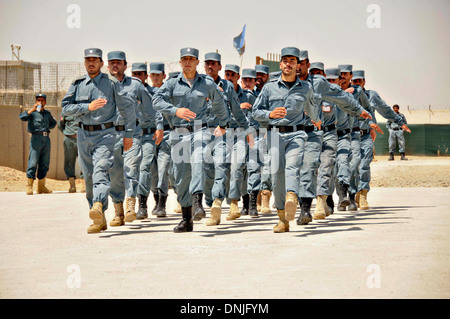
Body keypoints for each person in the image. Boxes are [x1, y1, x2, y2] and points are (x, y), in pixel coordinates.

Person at [153, 47, 229, 233]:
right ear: (180, 62)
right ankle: (187, 218)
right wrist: (175, 110)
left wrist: (224, 124)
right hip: (178, 133)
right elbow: (156, 101)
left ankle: (197, 202)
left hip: (199, 130)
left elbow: (219, 103)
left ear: (197, 62)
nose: (188, 62)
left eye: (191, 59)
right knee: (180, 176)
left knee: (198, 159)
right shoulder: (172, 84)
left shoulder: (207, 84)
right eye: (184, 59)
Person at [61, 48, 136, 234]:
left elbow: (126, 109)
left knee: (101, 169)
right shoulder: (77, 84)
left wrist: (128, 134)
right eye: (88, 60)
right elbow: (65, 108)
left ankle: (97, 204)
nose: (91, 63)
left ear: (101, 63)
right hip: (83, 135)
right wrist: (87, 106)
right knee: (88, 177)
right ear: (84, 63)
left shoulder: (110, 83)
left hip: (106, 134)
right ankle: (98, 218)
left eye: (95, 60)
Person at [253, 47, 321, 233]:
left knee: (292, 166)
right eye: (286, 60)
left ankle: (292, 196)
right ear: (281, 64)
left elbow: (314, 112)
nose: (289, 64)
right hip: (274, 134)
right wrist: (270, 114)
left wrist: (315, 114)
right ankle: (283, 219)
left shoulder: (306, 88)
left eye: (293, 60)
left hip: (297, 134)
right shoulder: (269, 88)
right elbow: (256, 112)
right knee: (277, 175)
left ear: (297, 65)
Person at [107, 52, 163, 226]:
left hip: (132, 133)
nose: (115, 65)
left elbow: (150, 108)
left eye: (119, 63)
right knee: (114, 175)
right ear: (107, 66)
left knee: (131, 167)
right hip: (110, 135)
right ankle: (118, 211)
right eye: (112, 63)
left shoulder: (136, 86)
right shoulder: (102, 86)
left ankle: (131, 203)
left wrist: (159, 125)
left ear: (125, 65)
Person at [351, 70, 411, 209]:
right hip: (351, 136)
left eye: (360, 81)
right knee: (352, 166)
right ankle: (353, 194)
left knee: (364, 165)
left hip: (366, 134)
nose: (357, 84)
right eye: (354, 81)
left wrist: (399, 121)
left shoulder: (371, 95)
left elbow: (385, 109)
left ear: (364, 82)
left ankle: (363, 193)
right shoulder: (347, 95)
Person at [202, 55, 249, 226]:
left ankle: (217, 202)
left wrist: (248, 129)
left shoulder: (228, 87)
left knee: (223, 167)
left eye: (213, 64)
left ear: (218, 66)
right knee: (205, 170)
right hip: (203, 133)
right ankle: (209, 201)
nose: (210, 67)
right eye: (207, 64)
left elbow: (237, 111)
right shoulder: (198, 85)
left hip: (223, 132)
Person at [19, 93, 57, 195]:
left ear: (45, 102)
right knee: (33, 160)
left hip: (46, 138)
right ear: (36, 102)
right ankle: (29, 186)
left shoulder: (47, 114)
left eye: (42, 100)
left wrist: (47, 127)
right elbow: (22, 117)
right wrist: (32, 109)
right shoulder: (32, 113)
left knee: (45, 162)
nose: (40, 102)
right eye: (38, 100)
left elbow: (53, 123)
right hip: (36, 138)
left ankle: (41, 186)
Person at [58, 113, 84, 193]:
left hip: (82, 139)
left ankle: (84, 184)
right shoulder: (66, 111)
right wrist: (67, 133)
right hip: (69, 139)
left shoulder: (82, 109)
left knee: (84, 161)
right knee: (69, 161)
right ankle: (72, 185)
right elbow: (60, 125)